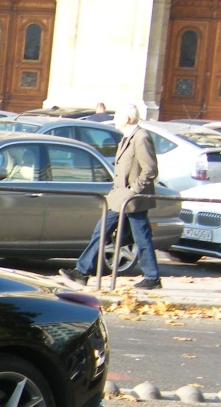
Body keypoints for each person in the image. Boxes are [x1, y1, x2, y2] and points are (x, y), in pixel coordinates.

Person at [59, 103, 161, 290]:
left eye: (119, 116)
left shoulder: (141, 137)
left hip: (132, 200)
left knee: (142, 237)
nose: (115, 120)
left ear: (128, 119)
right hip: (117, 198)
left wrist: (133, 191)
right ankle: (82, 272)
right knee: (101, 232)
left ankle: (152, 277)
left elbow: (150, 169)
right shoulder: (126, 137)